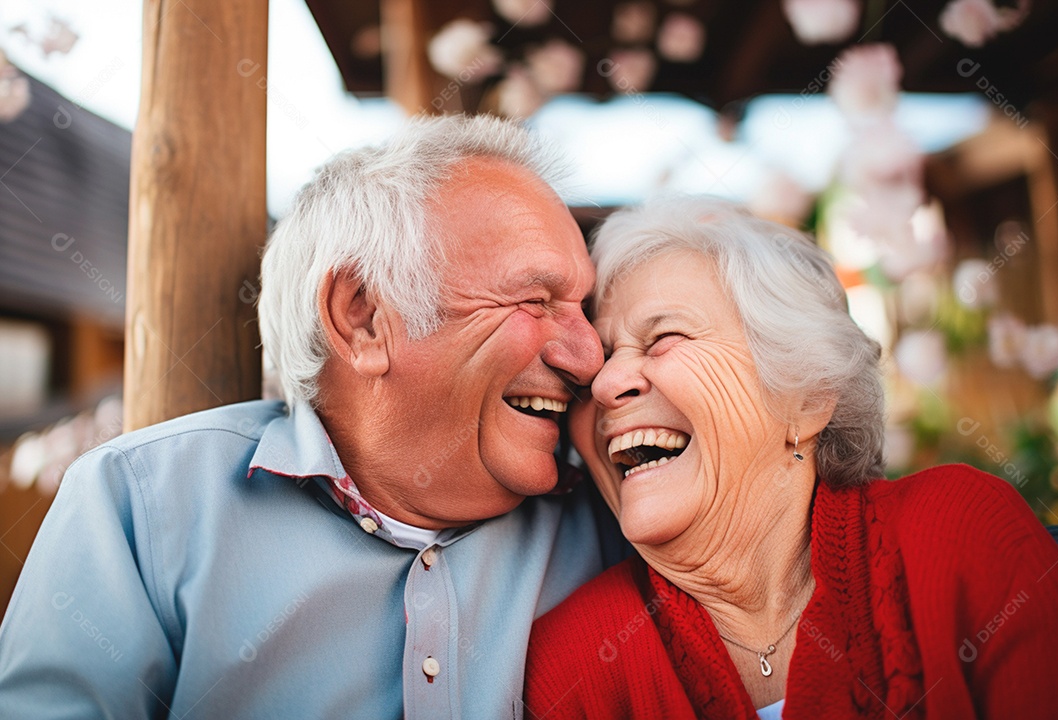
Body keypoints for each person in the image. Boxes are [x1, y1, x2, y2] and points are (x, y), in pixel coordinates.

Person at [0, 115, 619, 719]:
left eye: (583, 309)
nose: (590, 356)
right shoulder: (141, 502)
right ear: (364, 316)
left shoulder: (619, 513)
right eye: (536, 301)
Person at [524, 196, 1058, 719]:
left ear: (806, 399)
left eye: (664, 338)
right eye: (602, 359)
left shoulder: (961, 534)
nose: (606, 384)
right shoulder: (574, 664)